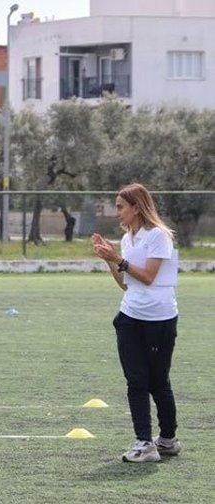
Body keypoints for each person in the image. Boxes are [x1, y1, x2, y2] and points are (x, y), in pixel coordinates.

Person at [92, 183, 181, 463]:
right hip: (130, 317)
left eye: (120, 207)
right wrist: (110, 260)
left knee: (158, 381)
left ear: (136, 207)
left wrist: (117, 259)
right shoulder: (128, 238)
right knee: (136, 380)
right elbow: (127, 285)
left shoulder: (159, 236)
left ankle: (168, 440)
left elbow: (149, 277)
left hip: (159, 320)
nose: (116, 212)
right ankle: (144, 442)